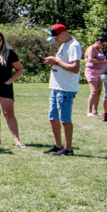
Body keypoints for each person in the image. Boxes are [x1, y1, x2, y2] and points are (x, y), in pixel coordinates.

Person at [43, 23, 83, 155]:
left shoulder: (74, 46)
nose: (55, 40)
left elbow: (75, 68)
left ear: (64, 34)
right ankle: (58, 145)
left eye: (56, 37)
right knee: (53, 117)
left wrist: (56, 62)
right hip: (56, 87)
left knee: (65, 119)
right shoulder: (64, 44)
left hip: (66, 88)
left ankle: (68, 149)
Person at [84, 35, 107, 117]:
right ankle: (89, 111)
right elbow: (91, 59)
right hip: (91, 72)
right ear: (98, 42)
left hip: (100, 73)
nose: (103, 46)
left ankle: (95, 111)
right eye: (103, 44)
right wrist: (103, 62)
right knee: (94, 91)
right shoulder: (91, 48)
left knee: (99, 92)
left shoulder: (100, 50)